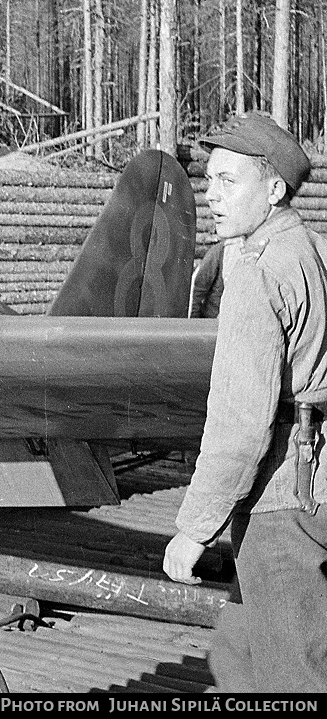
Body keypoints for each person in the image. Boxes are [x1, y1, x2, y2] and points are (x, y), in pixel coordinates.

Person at [163, 111, 327, 691]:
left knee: (288, 669)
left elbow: (240, 424)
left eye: (230, 182)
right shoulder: (314, 250)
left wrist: (194, 529)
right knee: (238, 651)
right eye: (210, 181)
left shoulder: (258, 271)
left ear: (274, 188)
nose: (212, 197)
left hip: (284, 490)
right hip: (313, 475)